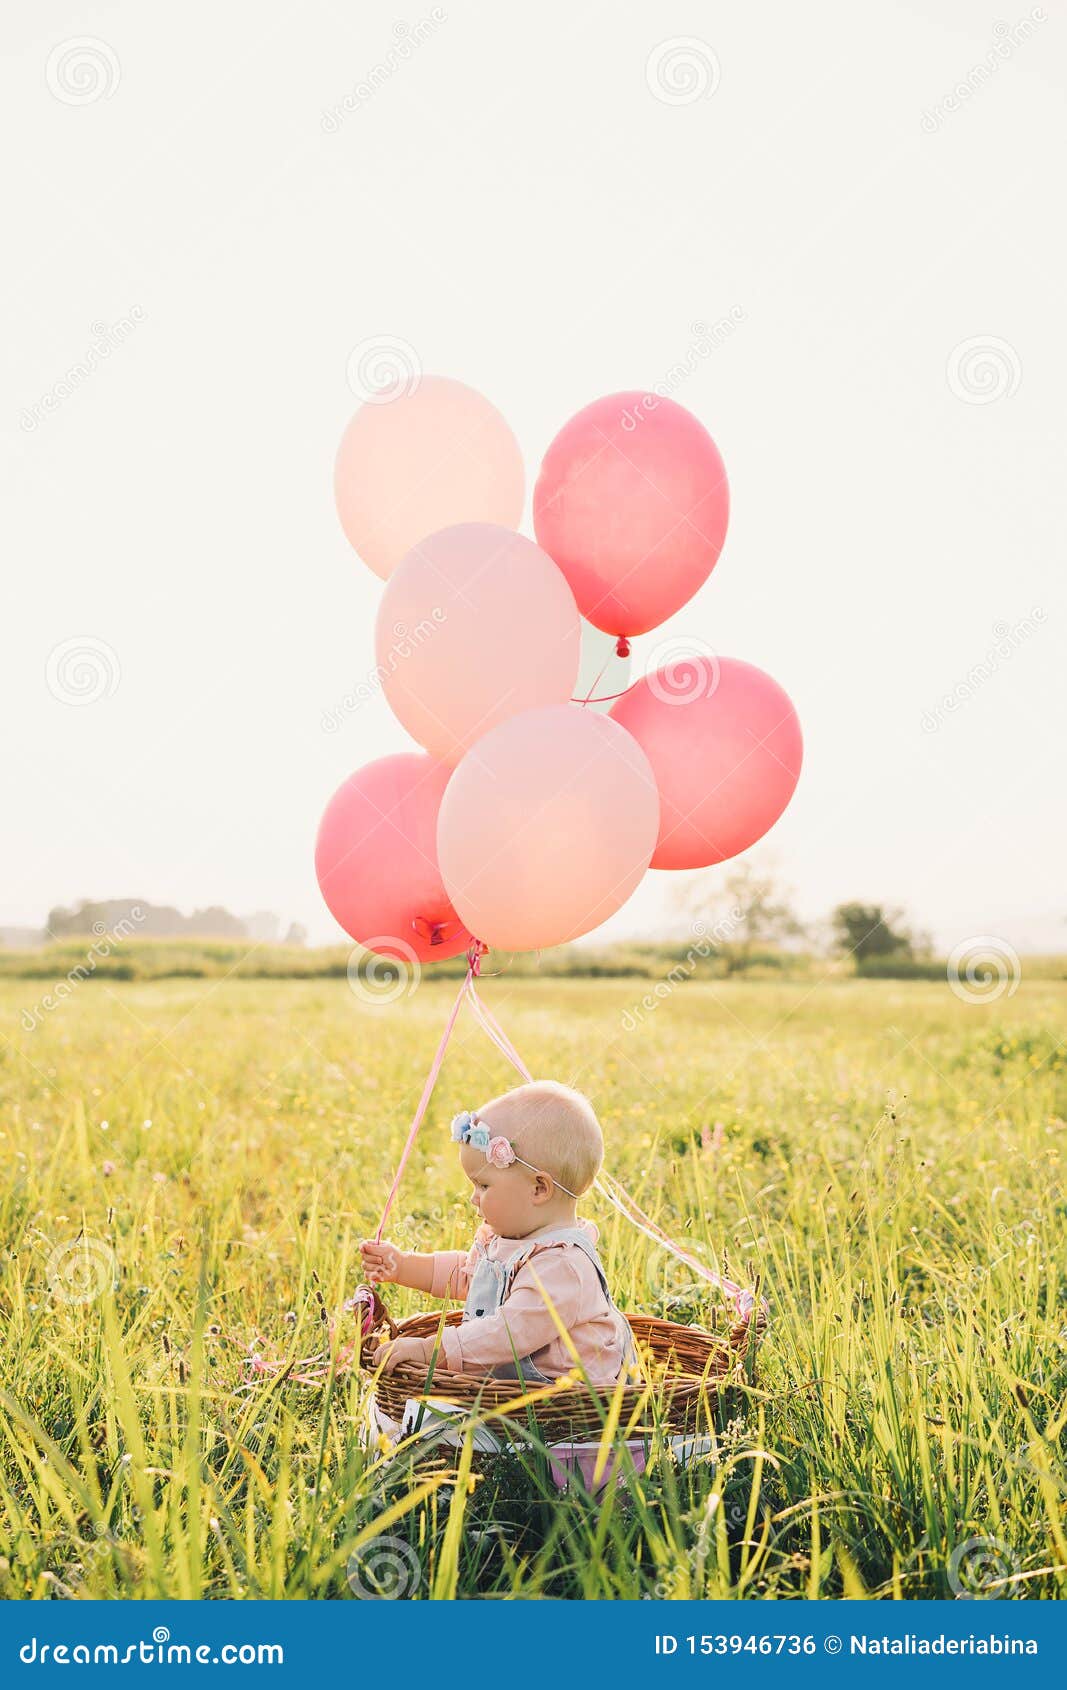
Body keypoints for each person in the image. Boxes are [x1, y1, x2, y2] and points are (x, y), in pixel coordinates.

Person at [359, 1079, 635, 1385]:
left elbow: (510, 1333)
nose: (473, 1198)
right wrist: (404, 1266)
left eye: (484, 1185)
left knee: (440, 1425)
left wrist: (432, 1349)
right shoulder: (510, 1240)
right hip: (513, 1391)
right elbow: (469, 1278)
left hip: (569, 1403)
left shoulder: (562, 1265)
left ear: (538, 1188)